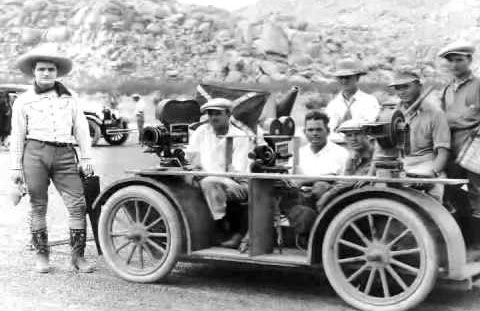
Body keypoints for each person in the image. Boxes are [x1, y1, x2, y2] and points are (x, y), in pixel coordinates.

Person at [10, 45, 95, 273]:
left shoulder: (71, 97)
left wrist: (86, 157)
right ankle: (42, 256)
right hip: (34, 153)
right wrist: (15, 169)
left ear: (57, 72)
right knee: (38, 205)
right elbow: (17, 135)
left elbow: (81, 127)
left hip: (65, 153)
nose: (46, 73)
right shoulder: (23, 100)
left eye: (50, 69)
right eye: (41, 69)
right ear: (34, 72)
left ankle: (77, 257)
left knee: (78, 206)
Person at [186, 98, 252, 248]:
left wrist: (213, 176)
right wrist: (198, 170)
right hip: (205, 179)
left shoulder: (240, 136)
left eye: (218, 114)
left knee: (211, 183)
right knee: (206, 183)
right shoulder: (201, 132)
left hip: (236, 182)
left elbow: (237, 170)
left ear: (228, 115)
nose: (213, 118)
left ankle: (225, 228)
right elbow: (192, 159)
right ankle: (219, 226)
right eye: (210, 114)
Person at [438, 41, 480, 254]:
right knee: (452, 192)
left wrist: (449, 119)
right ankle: (464, 242)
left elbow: (471, 118)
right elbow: (444, 119)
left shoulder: (477, 85)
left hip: (474, 150)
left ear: (469, 60)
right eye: (451, 61)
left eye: (459, 60)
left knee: (477, 195)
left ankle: (478, 246)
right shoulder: (446, 89)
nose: (454, 65)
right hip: (451, 150)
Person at [389, 71, 450, 201]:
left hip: (427, 163)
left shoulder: (435, 113)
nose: (401, 92)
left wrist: (432, 174)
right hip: (400, 164)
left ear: (419, 86)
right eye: (397, 88)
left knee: (431, 201)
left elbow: (443, 152)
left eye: (406, 87)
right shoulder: (393, 113)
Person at [294, 110, 350, 200]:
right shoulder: (298, 153)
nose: (315, 133)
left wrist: (304, 182)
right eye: (310, 130)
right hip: (300, 199)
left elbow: (343, 183)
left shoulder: (341, 154)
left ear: (327, 131)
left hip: (328, 201)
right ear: (304, 132)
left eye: (319, 129)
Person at [325, 58, 380, 144]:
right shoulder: (333, 105)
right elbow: (329, 128)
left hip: (363, 147)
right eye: (341, 78)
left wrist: (342, 127)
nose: (344, 81)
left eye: (347, 77)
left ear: (357, 78)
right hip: (338, 146)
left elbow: (367, 126)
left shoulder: (369, 101)